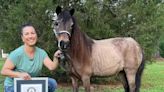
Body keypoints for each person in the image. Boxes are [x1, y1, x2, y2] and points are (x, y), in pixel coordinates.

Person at [0, 23, 62, 92]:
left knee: (52, 83)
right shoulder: (17, 54)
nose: (30, 36)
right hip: (13, 85)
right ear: (22, 38)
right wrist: (19, 75)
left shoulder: (41, 53)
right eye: (27, 34)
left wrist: (55, 57)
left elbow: (51, 67)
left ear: (36, 36)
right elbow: (3, 71)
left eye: (32, 33)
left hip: (30, 82)